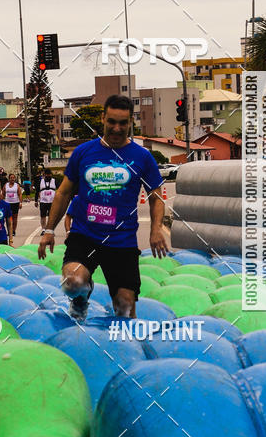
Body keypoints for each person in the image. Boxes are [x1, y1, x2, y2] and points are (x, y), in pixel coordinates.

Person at [38, 94, 168, 321]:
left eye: (123, 123)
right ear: (102, 119)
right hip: (85, 235)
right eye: (112, 122)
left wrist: (156, 229)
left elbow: (156, 197)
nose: (117, 128)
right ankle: (81, 297)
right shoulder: (83, 152)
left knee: (125, 309)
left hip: (122, 241)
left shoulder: (142, 157)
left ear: (130, 123)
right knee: (73, 282)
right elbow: (64, 192)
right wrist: (49, 230)